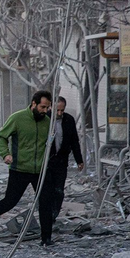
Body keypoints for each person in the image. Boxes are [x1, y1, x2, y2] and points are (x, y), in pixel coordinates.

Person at [0, 91, 53, 246]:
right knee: (11, 201)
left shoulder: (47, 122)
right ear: (33, 103)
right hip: (19, 168)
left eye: (47, 108)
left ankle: (46, 238)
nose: (45, 111)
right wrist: (5, 154)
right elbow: (1, 137)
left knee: (45, 202)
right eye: (42, 107)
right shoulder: (18, 118)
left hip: (40, 170)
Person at [42, 96, 84, 245]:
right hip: (46, 162)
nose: (59, 113)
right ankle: (46, 219)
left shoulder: (69, 120)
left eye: (62, 110)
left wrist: (79, 160)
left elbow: (74, 141)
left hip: (61, 161)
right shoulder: (44, 120)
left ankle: (53, 215)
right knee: (47, 191)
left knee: (59, 190)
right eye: (57, 110)